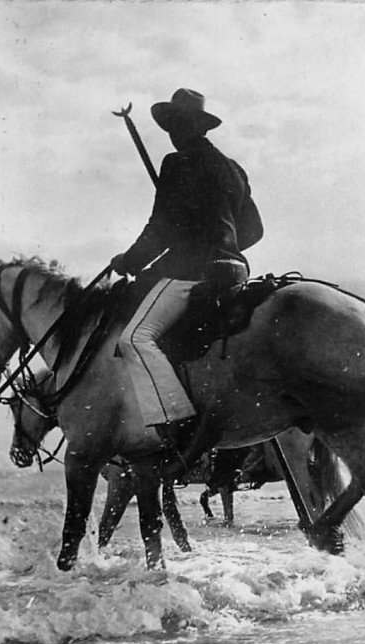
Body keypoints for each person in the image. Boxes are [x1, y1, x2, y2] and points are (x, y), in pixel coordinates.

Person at [112, 88, 263, 445]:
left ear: (185, 126)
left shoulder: (176, 163)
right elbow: (255, 230)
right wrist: (224, 245)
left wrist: (128, 262)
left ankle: (177, 424)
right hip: (235, 270)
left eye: (174, 125)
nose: (171, 133)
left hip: (193, 270)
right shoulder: (233, 168)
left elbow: (160, 229)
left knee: (134, 337)